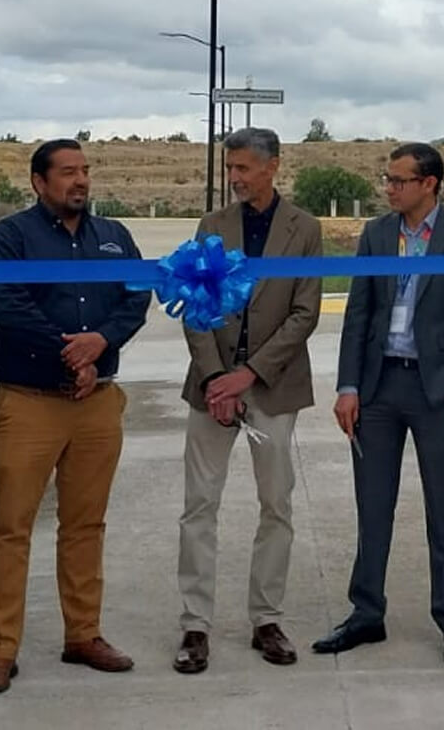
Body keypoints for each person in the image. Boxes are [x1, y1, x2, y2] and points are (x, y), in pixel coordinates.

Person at [0, 138, 151, 696]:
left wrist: (101, 342)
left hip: (96, 404)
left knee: (85, 526)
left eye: (85, 171)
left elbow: (136, 298)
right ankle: (0, 649)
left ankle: (84, 635)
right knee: (12, 528)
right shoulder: (10, 238)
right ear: (38, 182)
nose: (80, 181)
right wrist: (66, 351)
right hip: (28, 402)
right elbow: (3, 303)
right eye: (68, 172)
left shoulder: (114, 238)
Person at [313, 142, 444, 669]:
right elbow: (358, 313)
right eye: (387, 180)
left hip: (435, 390)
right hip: (377, 388)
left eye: (398, 180)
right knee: (373, 507)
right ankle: (366, 613)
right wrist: (348, 386)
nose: (389, 188)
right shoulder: (376, 234)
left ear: (428, 184)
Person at [172, 127, 322, 674]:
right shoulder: (212, 226)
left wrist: (249, 375)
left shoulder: (304, 228)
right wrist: (217, 377)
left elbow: (304, 312)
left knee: (276, 506)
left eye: (243, 168)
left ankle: (267, 618)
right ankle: (195, 625)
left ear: (273, 166)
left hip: (273, 390)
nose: (234, 177)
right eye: (230, 168)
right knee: (199, 507)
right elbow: (194, 304)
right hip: (210, 389)